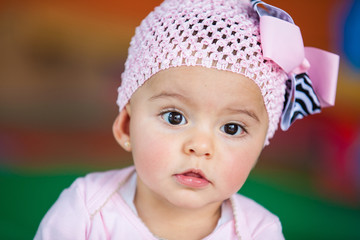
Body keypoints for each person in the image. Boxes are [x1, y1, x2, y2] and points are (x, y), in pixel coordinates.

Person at [34, 0, 339, 239]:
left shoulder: (258, 231)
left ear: (262, 144)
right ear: (126, 126)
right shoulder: (85, 209)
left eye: (232, 128)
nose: (200, 146)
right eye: (175, 117)